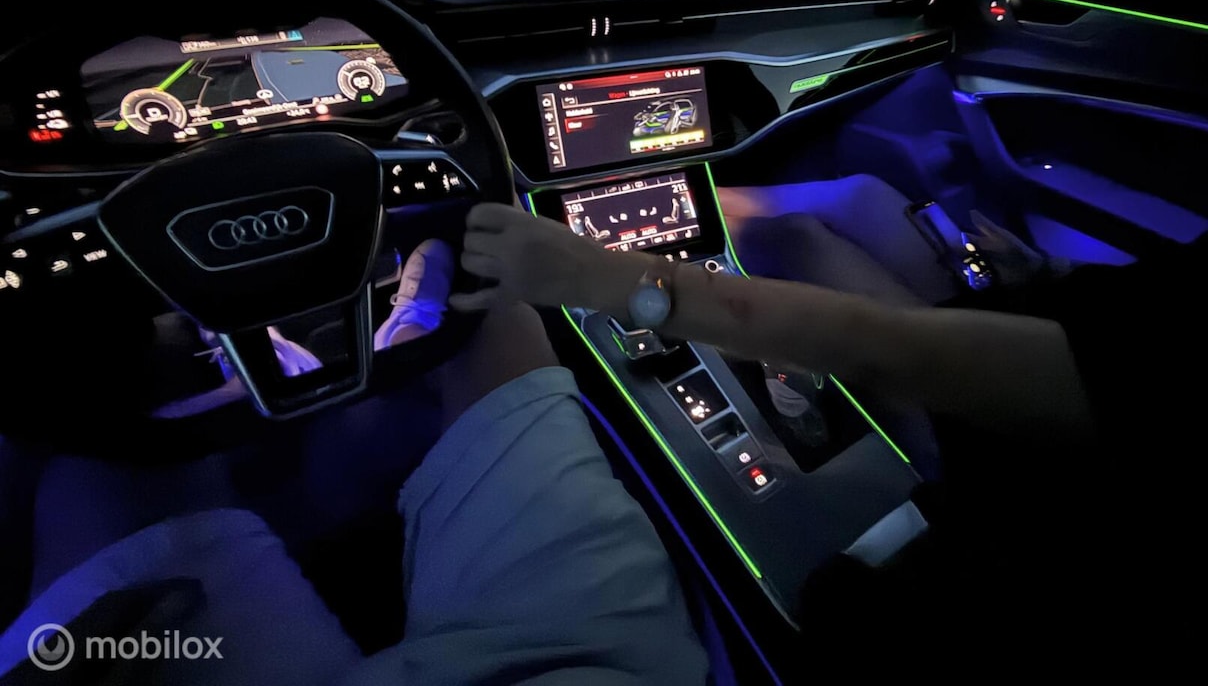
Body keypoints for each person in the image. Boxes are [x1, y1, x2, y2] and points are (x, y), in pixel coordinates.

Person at [448, 201, 1208, 675]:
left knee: (501, 331)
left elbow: (887, 349)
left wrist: (602, 278)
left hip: (1032, 587)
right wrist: (1052, 278)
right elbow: (1163, 312)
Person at [0, 241, 711, 685]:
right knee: (488, 319)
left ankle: (344, 408)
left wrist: (246, 398)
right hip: (600, 669)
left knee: (101, 476)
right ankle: (385, 377)